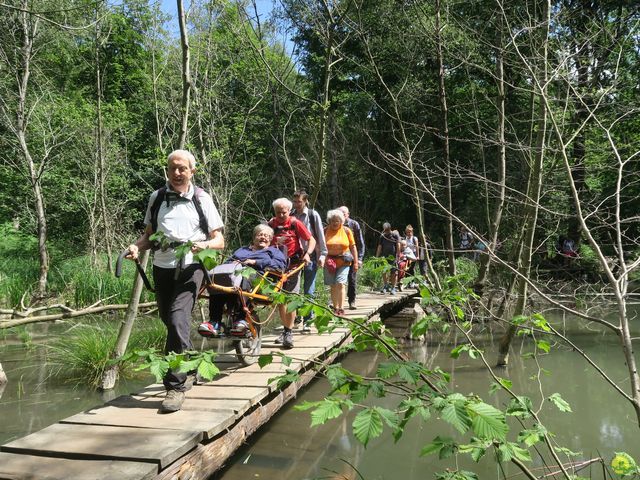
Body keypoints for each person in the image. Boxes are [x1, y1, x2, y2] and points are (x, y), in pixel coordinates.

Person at [126, 149, 224, 413]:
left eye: (182, 168)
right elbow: (148, 236)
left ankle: (174, 387)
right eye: (173, 168)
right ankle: (190, 364)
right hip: (162, 266)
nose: (177, 173)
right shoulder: (156, 198)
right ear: (167, 171)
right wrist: (137, 247)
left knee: (179, 318)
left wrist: (201, 244)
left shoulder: (202, 198)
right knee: (169, 321)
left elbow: (219, 240)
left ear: (192, 171)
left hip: (193, 266)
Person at [198, 224, 287, 337]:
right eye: (260, 235)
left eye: (266, 236)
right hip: (235, 276)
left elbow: (279, 265)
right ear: (254, 237)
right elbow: (227, 263)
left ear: (270, 239)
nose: (263, 237)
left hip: (259, 278)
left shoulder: (273, 251)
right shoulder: (242, 250)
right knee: (217, 281)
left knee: (245, 277)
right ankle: (215, 322)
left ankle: (240, 319)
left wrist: (255, 262)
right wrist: (232, 263)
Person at [268, 198, 316, 349]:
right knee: (280, 301)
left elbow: (311, 240)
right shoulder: (271, 225)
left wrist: (308, 253)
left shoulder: (295, 223)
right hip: (275, 267)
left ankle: (288, 332)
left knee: (290, 299)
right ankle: (285, 329)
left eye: (284, 212)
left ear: (289, 211)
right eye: (278, 212)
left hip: (293, 266)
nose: (281, 215)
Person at [292, 190, 327, 331]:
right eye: (294, 201)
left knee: (309, 289)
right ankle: (295, 318)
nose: (296, 204)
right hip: (294, 256)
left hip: (310, 255)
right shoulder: (291, 215)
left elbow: (319, 234)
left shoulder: (313, 215)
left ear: (305, 201)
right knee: (294, 289)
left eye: (299, 201)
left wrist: (323, 254)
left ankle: (307, 321)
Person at [324, 209, 358, 315]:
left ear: (341, 221)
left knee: (341, 283)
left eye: (337, 221)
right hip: (329, 261)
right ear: (329, 221)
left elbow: (353, 247)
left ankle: (341, 308)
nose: (335, 223)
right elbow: (319, 245)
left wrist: (356, 262)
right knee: (333, 285)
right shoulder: (325, 230)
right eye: (332, 220)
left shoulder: (347, 231)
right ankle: (335, 307)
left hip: (344, 261)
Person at [339, 206, 364, 310]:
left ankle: (351, 301)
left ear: (348, 214)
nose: (341, 216)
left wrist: (360, 258)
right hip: (338, 257)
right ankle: (337, 302)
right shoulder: (334, 224)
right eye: (339, 213)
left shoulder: (354, 224)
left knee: (351, 279)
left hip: (352, 256)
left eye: (343, 214)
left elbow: (360, 242)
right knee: (338, 280)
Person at [375, 222, 401, 294]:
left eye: (387, 230)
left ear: (390, 228)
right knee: (384, 271)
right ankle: (386, 285)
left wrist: (398, 255)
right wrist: (377, 257)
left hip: (393, 257)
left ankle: (393, 288)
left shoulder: (395, 235)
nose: (386, 231)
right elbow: (379, 247)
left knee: (394, 272)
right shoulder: (382, 236)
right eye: (385, 230)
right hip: (384, 257)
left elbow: (398, 245)